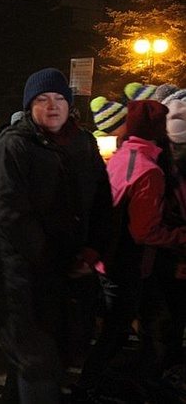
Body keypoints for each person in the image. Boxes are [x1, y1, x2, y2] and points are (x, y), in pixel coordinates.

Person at [0, 67, 112, 402]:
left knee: (48, 362)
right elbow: (14, 216)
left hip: (76, 275)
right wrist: (57, 261)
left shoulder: (83, 142)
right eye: (42, 99)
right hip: (29, 280)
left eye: (59, 98)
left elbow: (103, 201)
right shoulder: (14, 146)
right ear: (30, 106)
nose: (52, 105)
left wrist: (92, 251)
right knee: (39, 366)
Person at [74, 100, 186, 400]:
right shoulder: (149, 170)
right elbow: (144, 231)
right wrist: (179, 236)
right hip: (127, 262)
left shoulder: (123, 154)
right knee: (119, 330)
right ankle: (90, 387)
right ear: (158, 132)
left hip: (108, 257)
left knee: (123, 325)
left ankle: (102, 381)